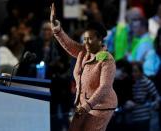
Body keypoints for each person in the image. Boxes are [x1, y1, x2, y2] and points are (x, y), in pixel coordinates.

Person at [50, 3, 118, 131]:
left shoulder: (107, 59)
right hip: (83, 105)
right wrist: (57, 30)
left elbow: (104, 87)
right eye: (84, 39)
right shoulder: (83, 52)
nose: (86, 42)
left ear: (100, 40)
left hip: (101, 106)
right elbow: (69, 44)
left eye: (90, 39)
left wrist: (87, 106)